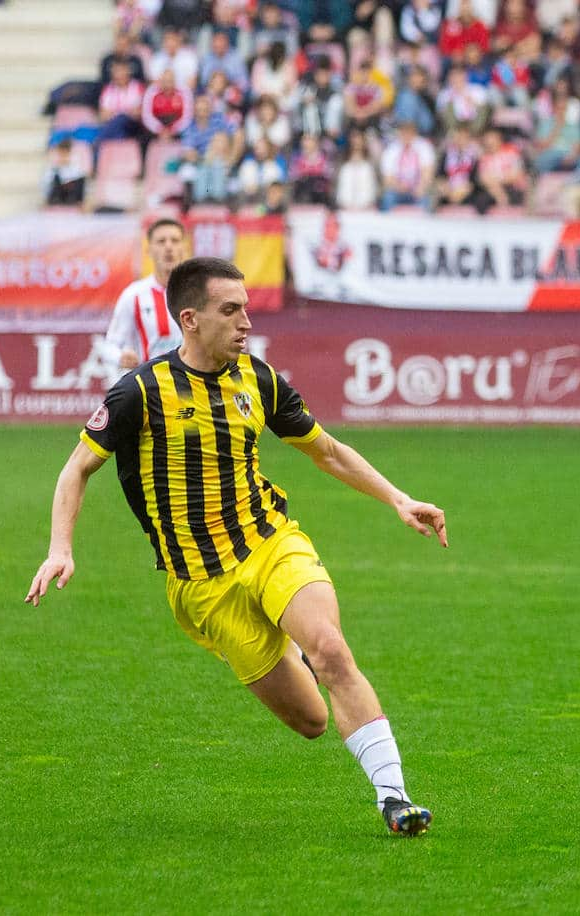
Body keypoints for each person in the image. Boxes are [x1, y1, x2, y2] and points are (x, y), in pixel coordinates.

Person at [26, 257, 448, 838]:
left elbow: (325, 450)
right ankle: (289, 650)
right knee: (311, 719)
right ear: (191, 319)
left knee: (330, 649)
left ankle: (394, 797)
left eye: (247, 307)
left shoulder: (259, 378)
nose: (246, 321)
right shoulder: (140, 392)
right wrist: (60, 548)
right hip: (202, 586)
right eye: (232, 310)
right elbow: (76, 470)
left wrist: (398, 498)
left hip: (269, 542)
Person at [102, 218, 187, 372]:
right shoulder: (134, 295)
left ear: (184, 248)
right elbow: (109, 346)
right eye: (161, 241)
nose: (168, 247)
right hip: (151, 389)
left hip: (192, 388)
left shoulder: (199, 292)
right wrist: (121, 356)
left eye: (175, 240)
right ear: (149, 250)